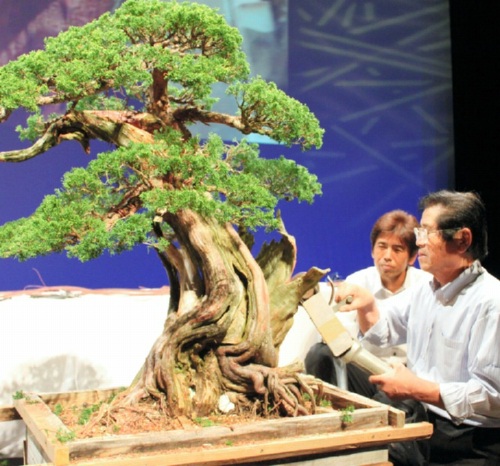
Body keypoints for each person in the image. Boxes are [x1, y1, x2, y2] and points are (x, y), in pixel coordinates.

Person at [335, 190, 500, 465]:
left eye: (426, 233)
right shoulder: (427, 289)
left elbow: (493, 396)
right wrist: (368, 306)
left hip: (469, 440)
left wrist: (417, 388)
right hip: (421, 418)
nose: (418, 242)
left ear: (462, 240)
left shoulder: (491, 302)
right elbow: (385, 330)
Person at [305, 209, 431, 390]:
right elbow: (337, 339)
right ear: (372, 250)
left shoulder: (426, 286)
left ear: (412, 257)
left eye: (397, 249)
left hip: (409, 380)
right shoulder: (357, 282)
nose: (387, 256)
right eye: (382, 246)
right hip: (368, 373)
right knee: (319, 354)